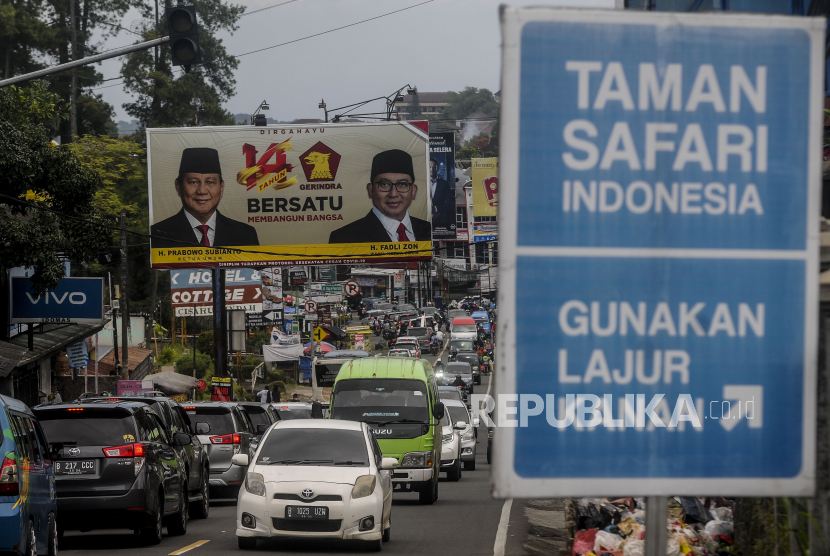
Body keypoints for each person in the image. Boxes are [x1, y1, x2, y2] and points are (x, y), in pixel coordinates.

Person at [151, 147, 260, 248]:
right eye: (194, 182)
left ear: (221, 188)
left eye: (210, 182)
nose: (202, 191)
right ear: (179, 187)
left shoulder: (245, 234)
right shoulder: (158, 233)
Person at [328, 149, 431, 243]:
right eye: (384, 184)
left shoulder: (429, 229)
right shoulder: (343, 238)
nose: (393, 194)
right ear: (370, 190)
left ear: (413, 191)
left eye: (402, 184)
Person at [429, 157, 454, 228]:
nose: (431, 169)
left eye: (434, 167)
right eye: (430, 167)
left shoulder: (444, 184)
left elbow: (449, 204)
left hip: (440, 221)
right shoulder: (422, 184)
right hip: (424, 221)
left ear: (437, 168)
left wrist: (436, 209)